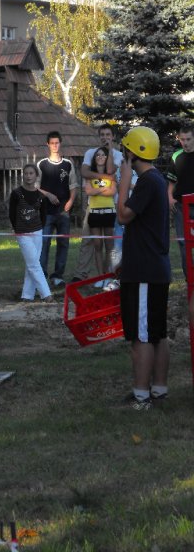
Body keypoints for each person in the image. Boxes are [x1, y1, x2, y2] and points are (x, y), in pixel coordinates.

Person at [117, 126, 171, 411]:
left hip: (144, 274)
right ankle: (158, 390)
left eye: (125, 150)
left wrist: (124, 182)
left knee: (142, 336)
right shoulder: (156, 180)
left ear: (132, 153)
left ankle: (142, 397)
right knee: (157, 333)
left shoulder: (147, 181)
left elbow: (124, 216)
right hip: (153, 268)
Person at [72, 124, 122, 282]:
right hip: (92, 207)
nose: (105, 137)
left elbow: (110, 171)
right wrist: (106, 180)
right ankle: (82, 274)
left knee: (110, 245)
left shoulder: (118, 155)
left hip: (111, 206)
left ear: (113, 136)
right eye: (102, 134)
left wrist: (111, 151)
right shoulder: (91, 153)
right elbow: (85, 172)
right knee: (90, 241)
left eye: (108, 134)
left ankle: (110, 274)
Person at [37, 131, 78, 288]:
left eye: (57, 143)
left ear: (60, 143)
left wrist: (71, 201)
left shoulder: (68, 164)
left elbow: (73, 185)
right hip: (46, 212)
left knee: (63, 243)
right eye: (52, 143)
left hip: (63, 211)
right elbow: (35, 186)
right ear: (48, 145)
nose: (55, 145)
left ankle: (58, 275)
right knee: (44, 243)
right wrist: (48, 195)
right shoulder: (42, 164)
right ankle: (41, 275)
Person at [9, 164, 53, 303]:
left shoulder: (41, 196)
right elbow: (12, 214)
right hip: (22, 233)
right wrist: (17, 229)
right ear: (23, 175)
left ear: (36, 176)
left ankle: (27, 295)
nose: (28, 176)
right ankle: (46, 294)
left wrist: (39, 227)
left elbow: (44, 215)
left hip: (37, 231)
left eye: (31, 173)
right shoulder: (16, 193)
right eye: (26, 173)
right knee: (34, 264)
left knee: (32, 263)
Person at [84, 147, 117, 284]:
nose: (100, 157)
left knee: (109, 245)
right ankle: (99, 277)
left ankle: (107, 275)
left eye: (103, 155)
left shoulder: (112, 174)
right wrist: (104, 188)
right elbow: (88, 191)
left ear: (107, 158)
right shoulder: (90, 174)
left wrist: (96, 190)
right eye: (98, 155)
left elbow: (112, 192)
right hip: (94, 212)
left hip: (109, 212)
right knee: (97, 245)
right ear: (94, 157)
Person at [166, 124, 194, 280]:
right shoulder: (176, 156)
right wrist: (169, 198)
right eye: (182, 139)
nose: (185, 143)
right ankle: (189, 279)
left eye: (189, 139)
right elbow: (171, 181)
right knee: (184, 244)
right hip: (181, 207)